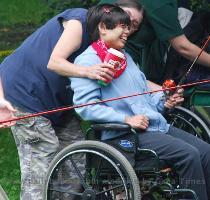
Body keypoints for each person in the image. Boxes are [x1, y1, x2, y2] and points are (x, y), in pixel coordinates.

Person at [0, 1, 143, 199]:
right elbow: (55, 62)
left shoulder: (108, 48)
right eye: (124, 21)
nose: (127, 28)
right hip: (26, 93)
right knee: (42, 157)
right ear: (105, 20)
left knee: (77, 157)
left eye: (132, 25)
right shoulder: (78, 21)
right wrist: (88, 71)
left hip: (59, 104)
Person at [70, 3, 210, 200]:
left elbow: (143, 97)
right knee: (189, 154)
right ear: (103, 27)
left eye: (130, 27)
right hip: (124, 133)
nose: (128, 31)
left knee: (205, 151)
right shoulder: (87, 62)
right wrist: (126, 119)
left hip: (153, 126)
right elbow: (86, 108)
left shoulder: (125, 57)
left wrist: (164, 100)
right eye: (123, 26)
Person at [99, 0, 210, 84]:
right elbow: (183, 47)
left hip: (126, 61)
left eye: (134, 25)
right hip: (112, 58)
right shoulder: (159, 3)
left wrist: (163, 93)